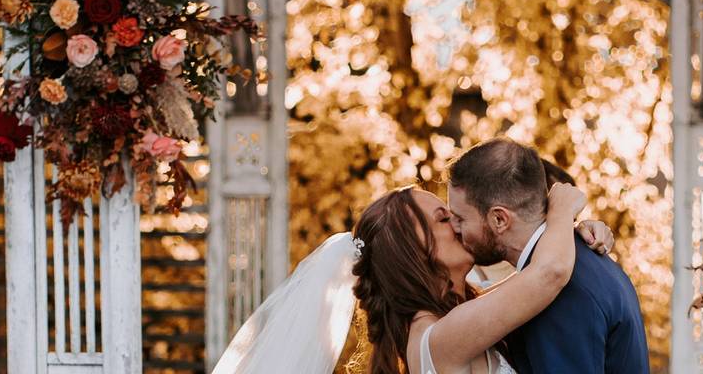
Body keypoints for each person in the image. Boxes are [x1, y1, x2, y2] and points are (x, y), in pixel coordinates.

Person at [212, 181, 612, 374]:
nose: (459, 224)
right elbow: (549, 273)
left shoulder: (457, 318)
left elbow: (541, 271)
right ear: (414, 250)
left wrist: (583, 233)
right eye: (444, 218)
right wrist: (562, 209)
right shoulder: (437, 339)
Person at [447, 138, 650, 374]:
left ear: (499, 219)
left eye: (460, 218)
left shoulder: (558, 292)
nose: (454, 227)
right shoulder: (581, 258)